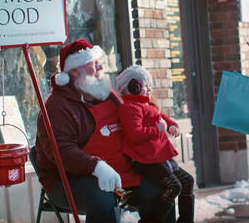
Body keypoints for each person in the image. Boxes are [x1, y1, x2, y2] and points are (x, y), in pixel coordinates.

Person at [34, 39, 175, 222]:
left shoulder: (108, 95)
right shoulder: (57, 107)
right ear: (75, 71)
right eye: (93, 63)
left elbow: (135, 124)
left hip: (121, 173)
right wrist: (96, 166)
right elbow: (60, 151)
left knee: (164, 187)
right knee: (103, 196)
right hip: (70, 179)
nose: (100, 66)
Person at [116, 65, 195, 222]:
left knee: (187, 181)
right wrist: (157, 129)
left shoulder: (147, 105)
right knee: (174, 187)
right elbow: (134, 134)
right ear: (133, 87)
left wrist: (172, 125)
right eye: (146, 86)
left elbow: (162, 118)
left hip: (159, 158)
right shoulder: (130, 108)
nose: (149, 89)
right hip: (145, 161)